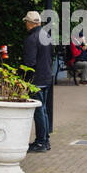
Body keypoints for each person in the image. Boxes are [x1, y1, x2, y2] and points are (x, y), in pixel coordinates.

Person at [22, 10, 52, 152]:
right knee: (43, 110)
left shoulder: (31, 39)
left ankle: (41, 142)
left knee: (39, 111)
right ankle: (45, 140)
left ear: (29, 23)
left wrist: (21, 76)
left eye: (26, 22)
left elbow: (29, 63)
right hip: (46, 77)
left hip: (36, 80)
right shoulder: (45, 35)